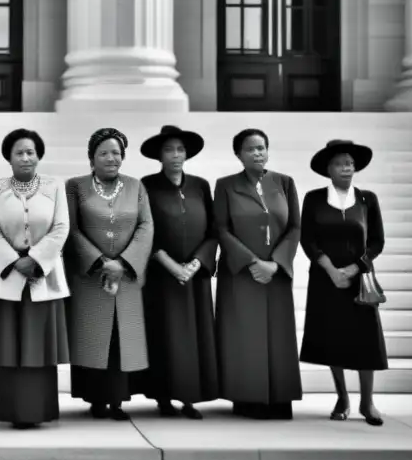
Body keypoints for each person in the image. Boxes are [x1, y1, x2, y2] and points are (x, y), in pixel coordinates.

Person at [0, 128, 70, 429]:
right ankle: (14, 410)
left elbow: (61, 228)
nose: (26, 157)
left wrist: (37, 259)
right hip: (8, 278)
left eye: (31, 152)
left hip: (43, 279)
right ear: (9, 157)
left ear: (39, 155)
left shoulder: (55, 187)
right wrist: (15, 261)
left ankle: (40, 409)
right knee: (10, 345)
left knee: (40, 345)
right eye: (19, 152)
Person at [65, 127, 154, 420]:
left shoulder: (135, 186)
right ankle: (95, 399)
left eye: (116, 152)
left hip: (126, 277)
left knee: (120, 339)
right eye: (103, 152)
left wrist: (123, 262)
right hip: (90, 278)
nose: (111, 158)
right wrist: (101, 261)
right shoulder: (75, 187)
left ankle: (117, 400)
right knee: (93, 336)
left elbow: (145, 226)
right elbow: (72, 228)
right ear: (92, 158)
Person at [214, 128, 303, 419]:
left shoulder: (284, 183)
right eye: (250, 149)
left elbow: (294, 228)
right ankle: (247, 399)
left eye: (262, 147)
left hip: (275, 274)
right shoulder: (225, 185)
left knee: (277, 336)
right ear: (238, 154)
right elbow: (221, 229)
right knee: (245, 336)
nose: (257, 153)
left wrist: (276, 264)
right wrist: (252, 262)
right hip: (242, 273)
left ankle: (279, 400)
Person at [300, 139, 387, 427]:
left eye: (349, 163)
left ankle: (367, 401)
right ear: (328, 169)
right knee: (332, 337)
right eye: (339, 163)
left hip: (359, 279)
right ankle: (342, 397)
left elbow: (376, 242)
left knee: (366, 340)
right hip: (326, 279)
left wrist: (352, 268)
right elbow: (308, 239)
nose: (346, 168)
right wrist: (331, 270)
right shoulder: (313, 198)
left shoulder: (367, 199)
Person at [139, 125, 219, 419]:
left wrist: (196, 263)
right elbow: (144, 229)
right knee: (165, 335)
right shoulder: (146, 186)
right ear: (159, 155)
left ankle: (189, 397)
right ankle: (163, 396)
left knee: (193, 337)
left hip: (194, 277)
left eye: (180, 149)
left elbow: (213, 230)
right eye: (169, 149)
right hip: (162, 276)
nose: (175, 155)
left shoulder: (200, 185)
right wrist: (170, 264)